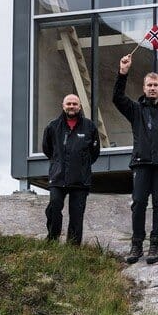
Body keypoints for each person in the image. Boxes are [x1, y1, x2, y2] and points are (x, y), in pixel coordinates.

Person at [113, 55, 158, 265]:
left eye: (156, 85)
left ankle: (155, 244)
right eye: (149, 85)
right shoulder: (136, 109)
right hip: (141, 163)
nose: (152, 88)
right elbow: (117, 98)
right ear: (144, 88)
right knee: (139, 203)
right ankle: (136, 244)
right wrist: (123, 73)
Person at [42, 94, 100, 245]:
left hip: (80, 180)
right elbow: (47, 149)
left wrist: (81, 164)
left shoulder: (90, 127)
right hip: (58, 177)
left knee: (76, 215)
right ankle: (52, 238)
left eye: (75, 104)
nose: (71, 106)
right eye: (69, 103)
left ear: (79, 106)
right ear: (63, 106)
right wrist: (58, 163)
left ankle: (73, 247)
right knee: (54, 207)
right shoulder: (53, 126)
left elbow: (94, 153)